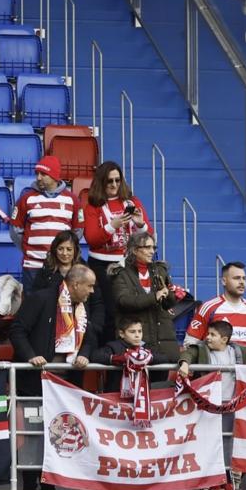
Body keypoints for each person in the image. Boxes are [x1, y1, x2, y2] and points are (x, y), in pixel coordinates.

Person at [8, 263, 98, 490]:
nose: (92, 291)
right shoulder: (41, 299)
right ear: (75, 284)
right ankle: (29, 486)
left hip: (65, 386)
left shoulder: (82, 309)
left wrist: (85, 355)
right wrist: (31, 356)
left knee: (58, 436)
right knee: (32, 436)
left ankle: (49, 486)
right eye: (89, 286)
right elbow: (17, 330)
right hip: (35, 383)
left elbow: (90, 339)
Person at [178, 318, 246, 490]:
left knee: (231, 446)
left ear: (225, 339)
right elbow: (188, 353)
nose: (208, 337)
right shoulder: (201, 349)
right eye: (208, 333)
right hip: (208, 407)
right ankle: (210, 485)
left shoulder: (239, 351)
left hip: (232, 406)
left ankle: (231, 485)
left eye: (213, 335)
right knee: (210, 444)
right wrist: (184, 363)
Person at [81, 161, 152, 329]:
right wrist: (113, 225)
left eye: (117, 180)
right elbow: (91, 238)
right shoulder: (93, 205)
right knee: (108, 310)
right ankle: (108, 351)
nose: (114, 185)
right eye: (109, 181)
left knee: (131, 306)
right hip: (102, 264)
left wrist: (141, 224)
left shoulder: (132, 202)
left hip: (128, 263)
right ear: (101, 182)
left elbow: (149, 236)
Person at [108, 231, 180, 362]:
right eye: (147, 247)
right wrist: (154, 296)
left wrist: (169, 294)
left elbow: (168, 304)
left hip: (163, 340)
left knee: (162, 381)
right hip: (135, 342)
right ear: (135, 250)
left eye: (153, 247)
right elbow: (123, 301)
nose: (152, 251)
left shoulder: (160, 270)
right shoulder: (121, 272)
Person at [10, 156, 79, 290]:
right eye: (37, 174)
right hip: (33, 266)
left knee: (61, 306)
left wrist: (62, 253)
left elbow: (77, 232)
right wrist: (29, 249)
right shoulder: (26, 198)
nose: (38, 178)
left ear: (54, 176)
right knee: (33, 306)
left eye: (43, 174)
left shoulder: (72, 200)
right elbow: (15, 230)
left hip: (61, 266)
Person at [184, 260, 246, 352]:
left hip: (244, 366)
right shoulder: (208, 307)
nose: (242, 282)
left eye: (244, 278)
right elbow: (190, 341)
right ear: (223, 281)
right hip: (216, 366)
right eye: (237, 278)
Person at [90, 315, 178, 394]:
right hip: (117, 395)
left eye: (139, 331)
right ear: (121, 334)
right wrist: (119, 359)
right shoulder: (114, 346)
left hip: (142, 395)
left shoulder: (145, 347)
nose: (137, 335)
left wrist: (146, 358)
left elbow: (164, 358)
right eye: (132, 332)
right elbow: (95, 356)